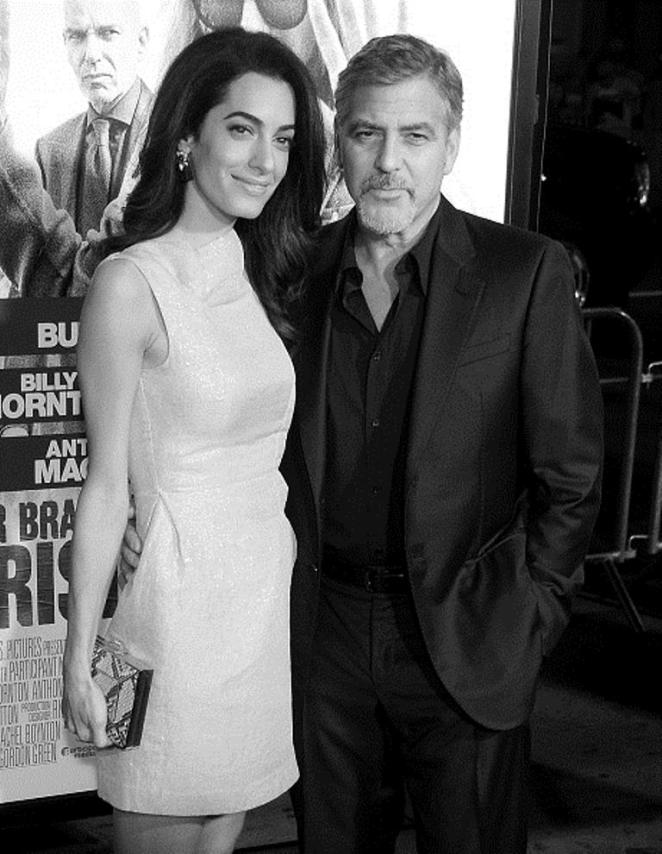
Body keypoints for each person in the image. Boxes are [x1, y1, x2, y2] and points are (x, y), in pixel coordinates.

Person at [122, 32, 603, 853]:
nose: (388, 162)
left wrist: (531, 617)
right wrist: (141, 503)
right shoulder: (288, 275)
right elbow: (215, 415)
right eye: (366, 133)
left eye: (415, 136)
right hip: (321, 636)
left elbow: (572, 473)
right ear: (337, 141)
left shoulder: (522, 273)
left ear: (451, 145)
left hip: (469, 635)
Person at [63, 26, 326, 854]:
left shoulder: (262, 271)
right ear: (186, 138)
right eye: (242, 130)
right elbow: (106, 484)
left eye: (282, 138)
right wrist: (79, 656)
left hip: (256, 610)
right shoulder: (129, 283)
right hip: (168, 616)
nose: (265, 161)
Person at [35, 0, 154, 239]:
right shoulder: (48, 150)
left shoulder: (180, 133)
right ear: (65, 42)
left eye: (108, 33)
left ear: (140, 42)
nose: (91, 55)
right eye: (77, 36)